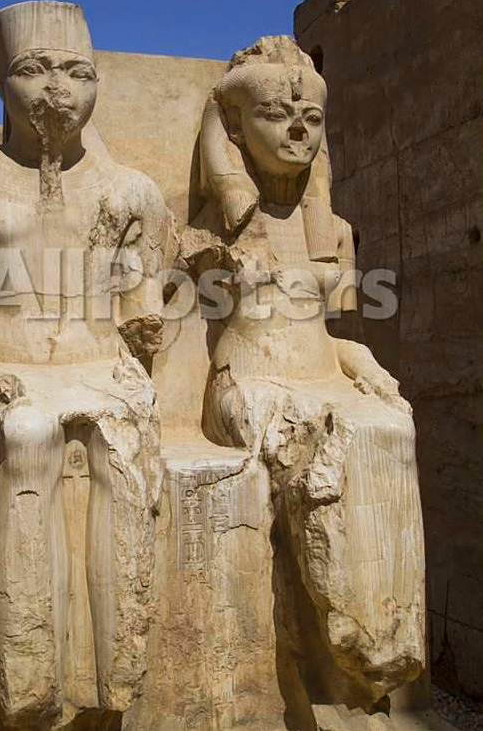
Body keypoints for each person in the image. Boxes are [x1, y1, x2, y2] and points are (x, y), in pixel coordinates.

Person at [0, 0, 172, 731]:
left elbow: (141, 320)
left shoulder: (133, 192)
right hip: (4, 374)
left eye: (77, 71)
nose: (58, 88)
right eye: (34, 69)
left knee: (118, 451)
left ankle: (110, 681)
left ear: (98, 84)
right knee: (29, 433)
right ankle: (29, 687)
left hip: (100, 369)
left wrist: (129, 371)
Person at [175, 35, 426, 716]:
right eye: (276, 115)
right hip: (247, 382)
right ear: (231, 128)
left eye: (311, 119)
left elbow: (335, 335)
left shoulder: (333, 230)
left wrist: (361, 361)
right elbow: (193, 338)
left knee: (389, 428)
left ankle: (379, 639)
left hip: (321, 378)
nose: (296, 129)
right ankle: (341, 635)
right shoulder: (211, 230)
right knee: (325, 438)